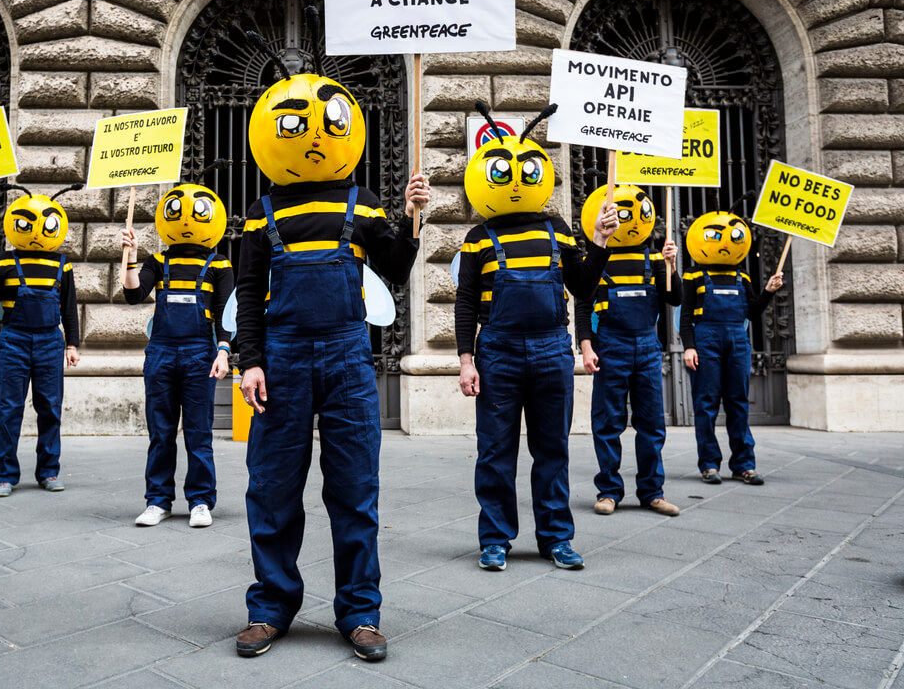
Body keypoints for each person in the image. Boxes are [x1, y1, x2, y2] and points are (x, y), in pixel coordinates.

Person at [233, 66, 429, 662]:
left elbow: (395, 268)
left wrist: (412, 215)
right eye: (297, 126)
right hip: (283, 361)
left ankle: (360, 612)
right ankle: (269, 608)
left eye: (327, 126)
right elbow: (247, 294)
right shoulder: (259, 212)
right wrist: (250, 362)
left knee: (354, 490)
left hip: (348, 359)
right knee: (271, 488)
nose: (315, 137)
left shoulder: (362, 204)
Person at [456, 108, 616, 573]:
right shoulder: (476, 238)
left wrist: (600, 243)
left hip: (551, 350)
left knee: (552, 450)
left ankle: (556, 538)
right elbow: (465, 303)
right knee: (495, 451)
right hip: (498, 353)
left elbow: (583, 288)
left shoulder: (559, 230)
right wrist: (467, 360)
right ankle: (496, 539)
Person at [122, 183, 233, 529]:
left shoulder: (221, 264)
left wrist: (224, 352)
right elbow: (133, 295)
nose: (186, 220)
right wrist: (130, 256)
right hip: (162, 353)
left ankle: (200, 501)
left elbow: (227, 314)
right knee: (161, 431)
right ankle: (158, 501)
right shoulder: (156, 261)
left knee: (199, 432)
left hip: (201, 354)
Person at [575, 184, 681, 517]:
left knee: (651, 423)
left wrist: (672, 266)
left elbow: (675, 298)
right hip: (610, 346)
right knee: (608, 422)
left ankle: (652, 491)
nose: (633, 221)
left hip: (647, 346)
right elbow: (582, 304)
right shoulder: (596, 258)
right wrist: (586, 345)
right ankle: (608, 490)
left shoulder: (655, 257)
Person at [0, 184, 81, 497]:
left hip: (51, 340)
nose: (35, 232)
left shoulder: (62, 264)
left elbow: (69, 307)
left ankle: (49, 472)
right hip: (15, 339)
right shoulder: (3, 262)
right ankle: (5, 475)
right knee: (8, 408)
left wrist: (72, 345)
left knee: (50, 407)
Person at [681, 209, 784, 485]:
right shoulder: (693, 276)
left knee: (738, 403)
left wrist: (768, 292)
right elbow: (685, 317)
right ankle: (709, 464)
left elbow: (752, 313)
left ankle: (743, 464)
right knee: (706, 404)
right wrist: (689, 347)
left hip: (737, 340)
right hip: (706, 340)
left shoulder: (744, 277)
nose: (725, 243)